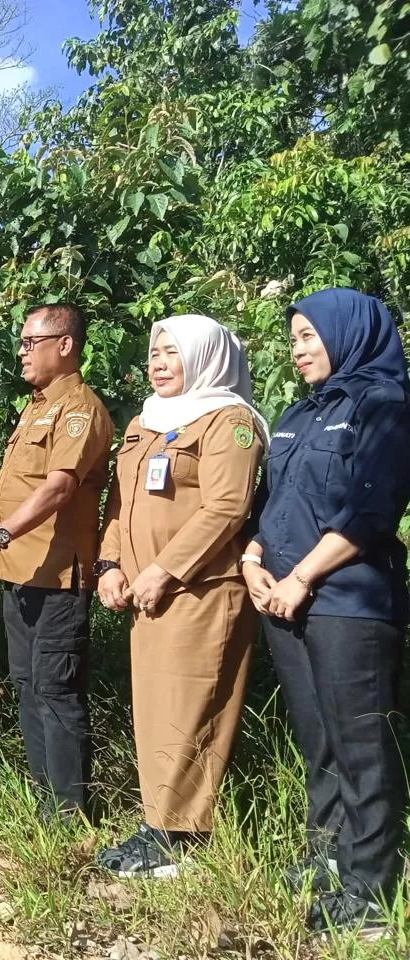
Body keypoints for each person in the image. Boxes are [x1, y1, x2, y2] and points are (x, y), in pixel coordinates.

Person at [241, 289, 410, 939]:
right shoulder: (300, 412)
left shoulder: (385, 406)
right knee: (319, 743)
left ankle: (370, 893)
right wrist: (254, 559)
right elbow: (271, 502)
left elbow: (371, 511)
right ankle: (331, 859)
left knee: (362, 747)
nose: (298, 348)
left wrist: (302, 577)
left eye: (310, 336)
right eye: (295, 337)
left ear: (347, 335)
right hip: (280, 597)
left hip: (347, 602)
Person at [95, 314, 267, 877]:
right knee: (156, 710)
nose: (159, 363)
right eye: (155, 353)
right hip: (146, 591)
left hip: (200, 591)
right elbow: (121, 504)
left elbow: (226, 507)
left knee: (192, 709)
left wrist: (165, 569)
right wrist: (111, 562)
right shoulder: (146, 419)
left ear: (205, 356)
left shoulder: (228, 419)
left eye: (172, 352)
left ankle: (181, 838)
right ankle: (158, 824)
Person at [0, 304, 111, 818]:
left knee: (55, 689)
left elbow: (60, 487)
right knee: (26, 685)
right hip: (21, 571)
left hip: (59, 575)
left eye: (29, 342)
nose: (20, 353)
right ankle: (41, 803)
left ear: (64, 344)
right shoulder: (37, 405)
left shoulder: (79, 409)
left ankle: (69, 813)